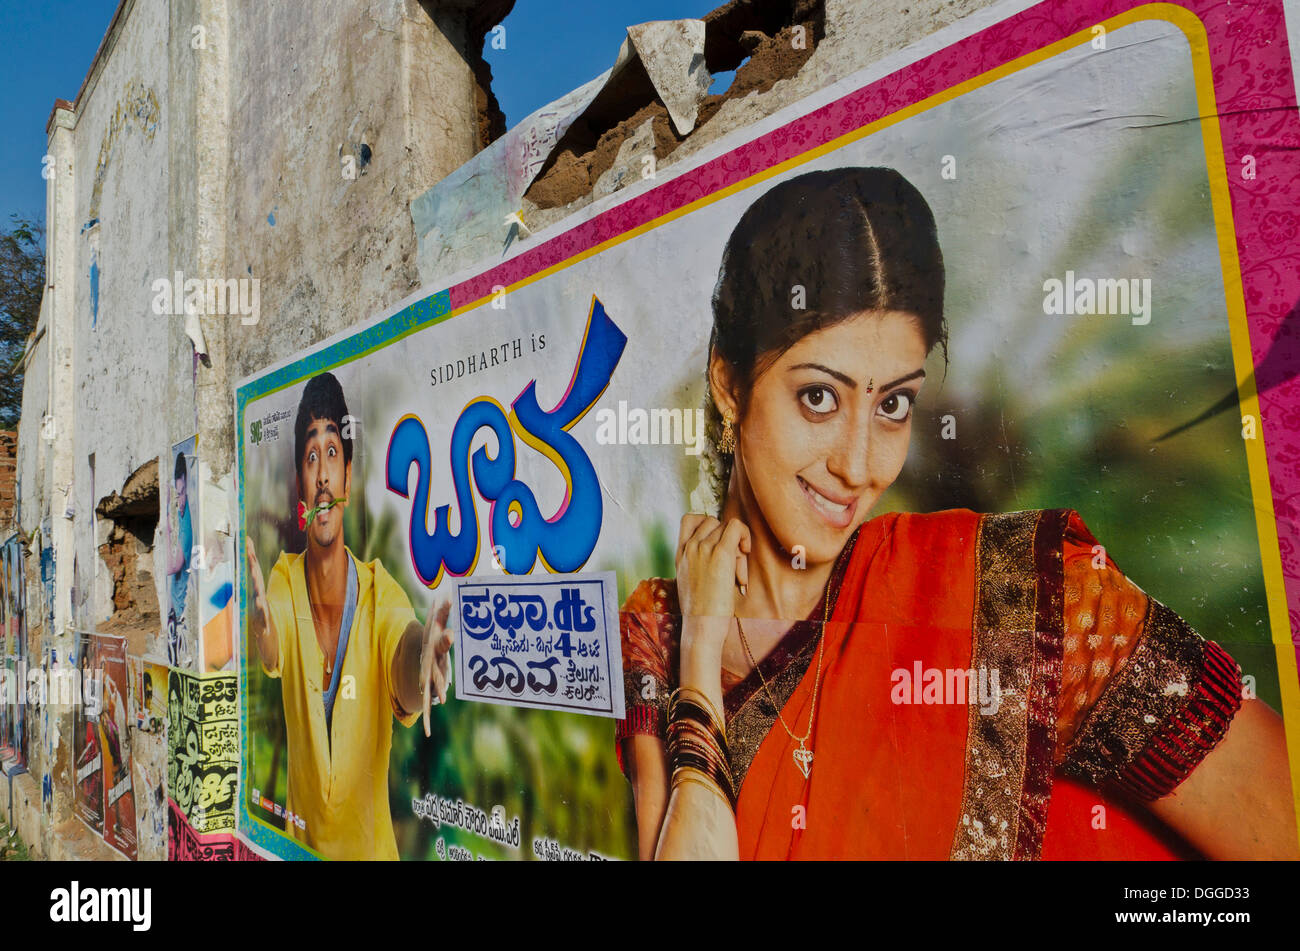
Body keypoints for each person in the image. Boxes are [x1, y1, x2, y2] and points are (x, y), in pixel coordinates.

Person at [615, 167, 1299, 860]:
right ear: (730, 384)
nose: (858, 465)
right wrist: (699, 651)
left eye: (892, 405)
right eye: (819, 397)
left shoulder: (1024, 599)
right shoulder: (660, 628)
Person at [245, 371, 454, 860]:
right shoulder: (284, 579)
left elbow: (402, 657)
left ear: (348, 476)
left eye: (332, 454)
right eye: (311, 457)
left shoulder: (382, 593)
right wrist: (261, 626)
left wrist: (421, 653)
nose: (322, 475)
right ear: (301, 480)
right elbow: (272, 639)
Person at [165, 451, 193, 666]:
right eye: (177, 494)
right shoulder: (182, 514)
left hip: (182, 613)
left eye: (181, 493)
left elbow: (173, 566)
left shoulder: (187, 524)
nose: (179, 500)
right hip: (175, 610)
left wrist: (165, 531)